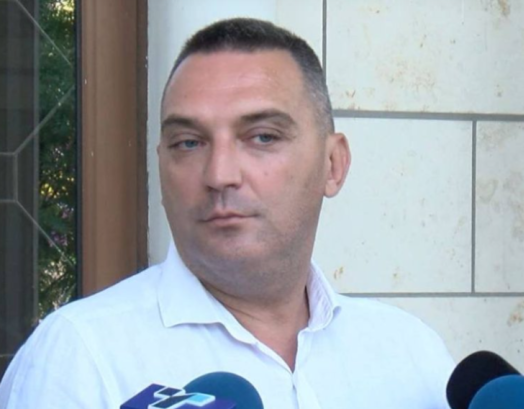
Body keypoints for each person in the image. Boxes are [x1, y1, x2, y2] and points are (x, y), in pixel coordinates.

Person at [0, 18, 454, 409]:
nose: (219, 175)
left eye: (262, 137)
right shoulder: (82, 357)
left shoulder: (411, 354)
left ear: (333, 165)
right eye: (189, 143)